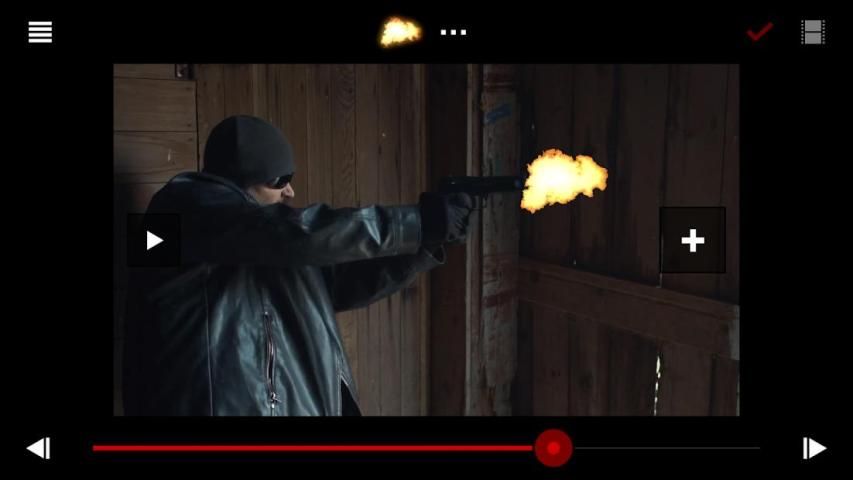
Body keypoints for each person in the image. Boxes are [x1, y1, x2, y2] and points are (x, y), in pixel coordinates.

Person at [122, 115, 473, 416]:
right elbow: (292, 235)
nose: (289, 192)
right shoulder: (181, 209)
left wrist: (422, 245)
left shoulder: (246, 245)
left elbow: (333, 285)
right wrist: (417, 222)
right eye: (279, 179)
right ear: (243, 177)